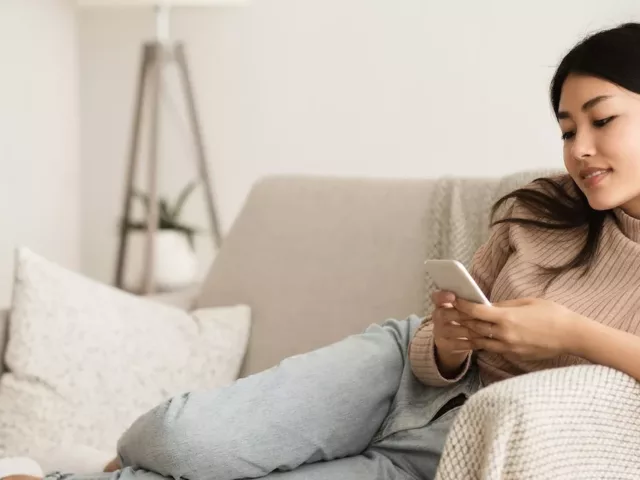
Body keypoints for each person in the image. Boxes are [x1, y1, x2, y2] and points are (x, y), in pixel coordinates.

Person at [7, 21, 640, 480]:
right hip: (398, 376)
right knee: (182, 439)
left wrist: (571, 334)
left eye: (600, 120)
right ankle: (115, 460)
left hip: (456, 451)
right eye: (566, 129)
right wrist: (449, 341)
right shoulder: (541, 209)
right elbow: (436, 340)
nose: (578, 147)